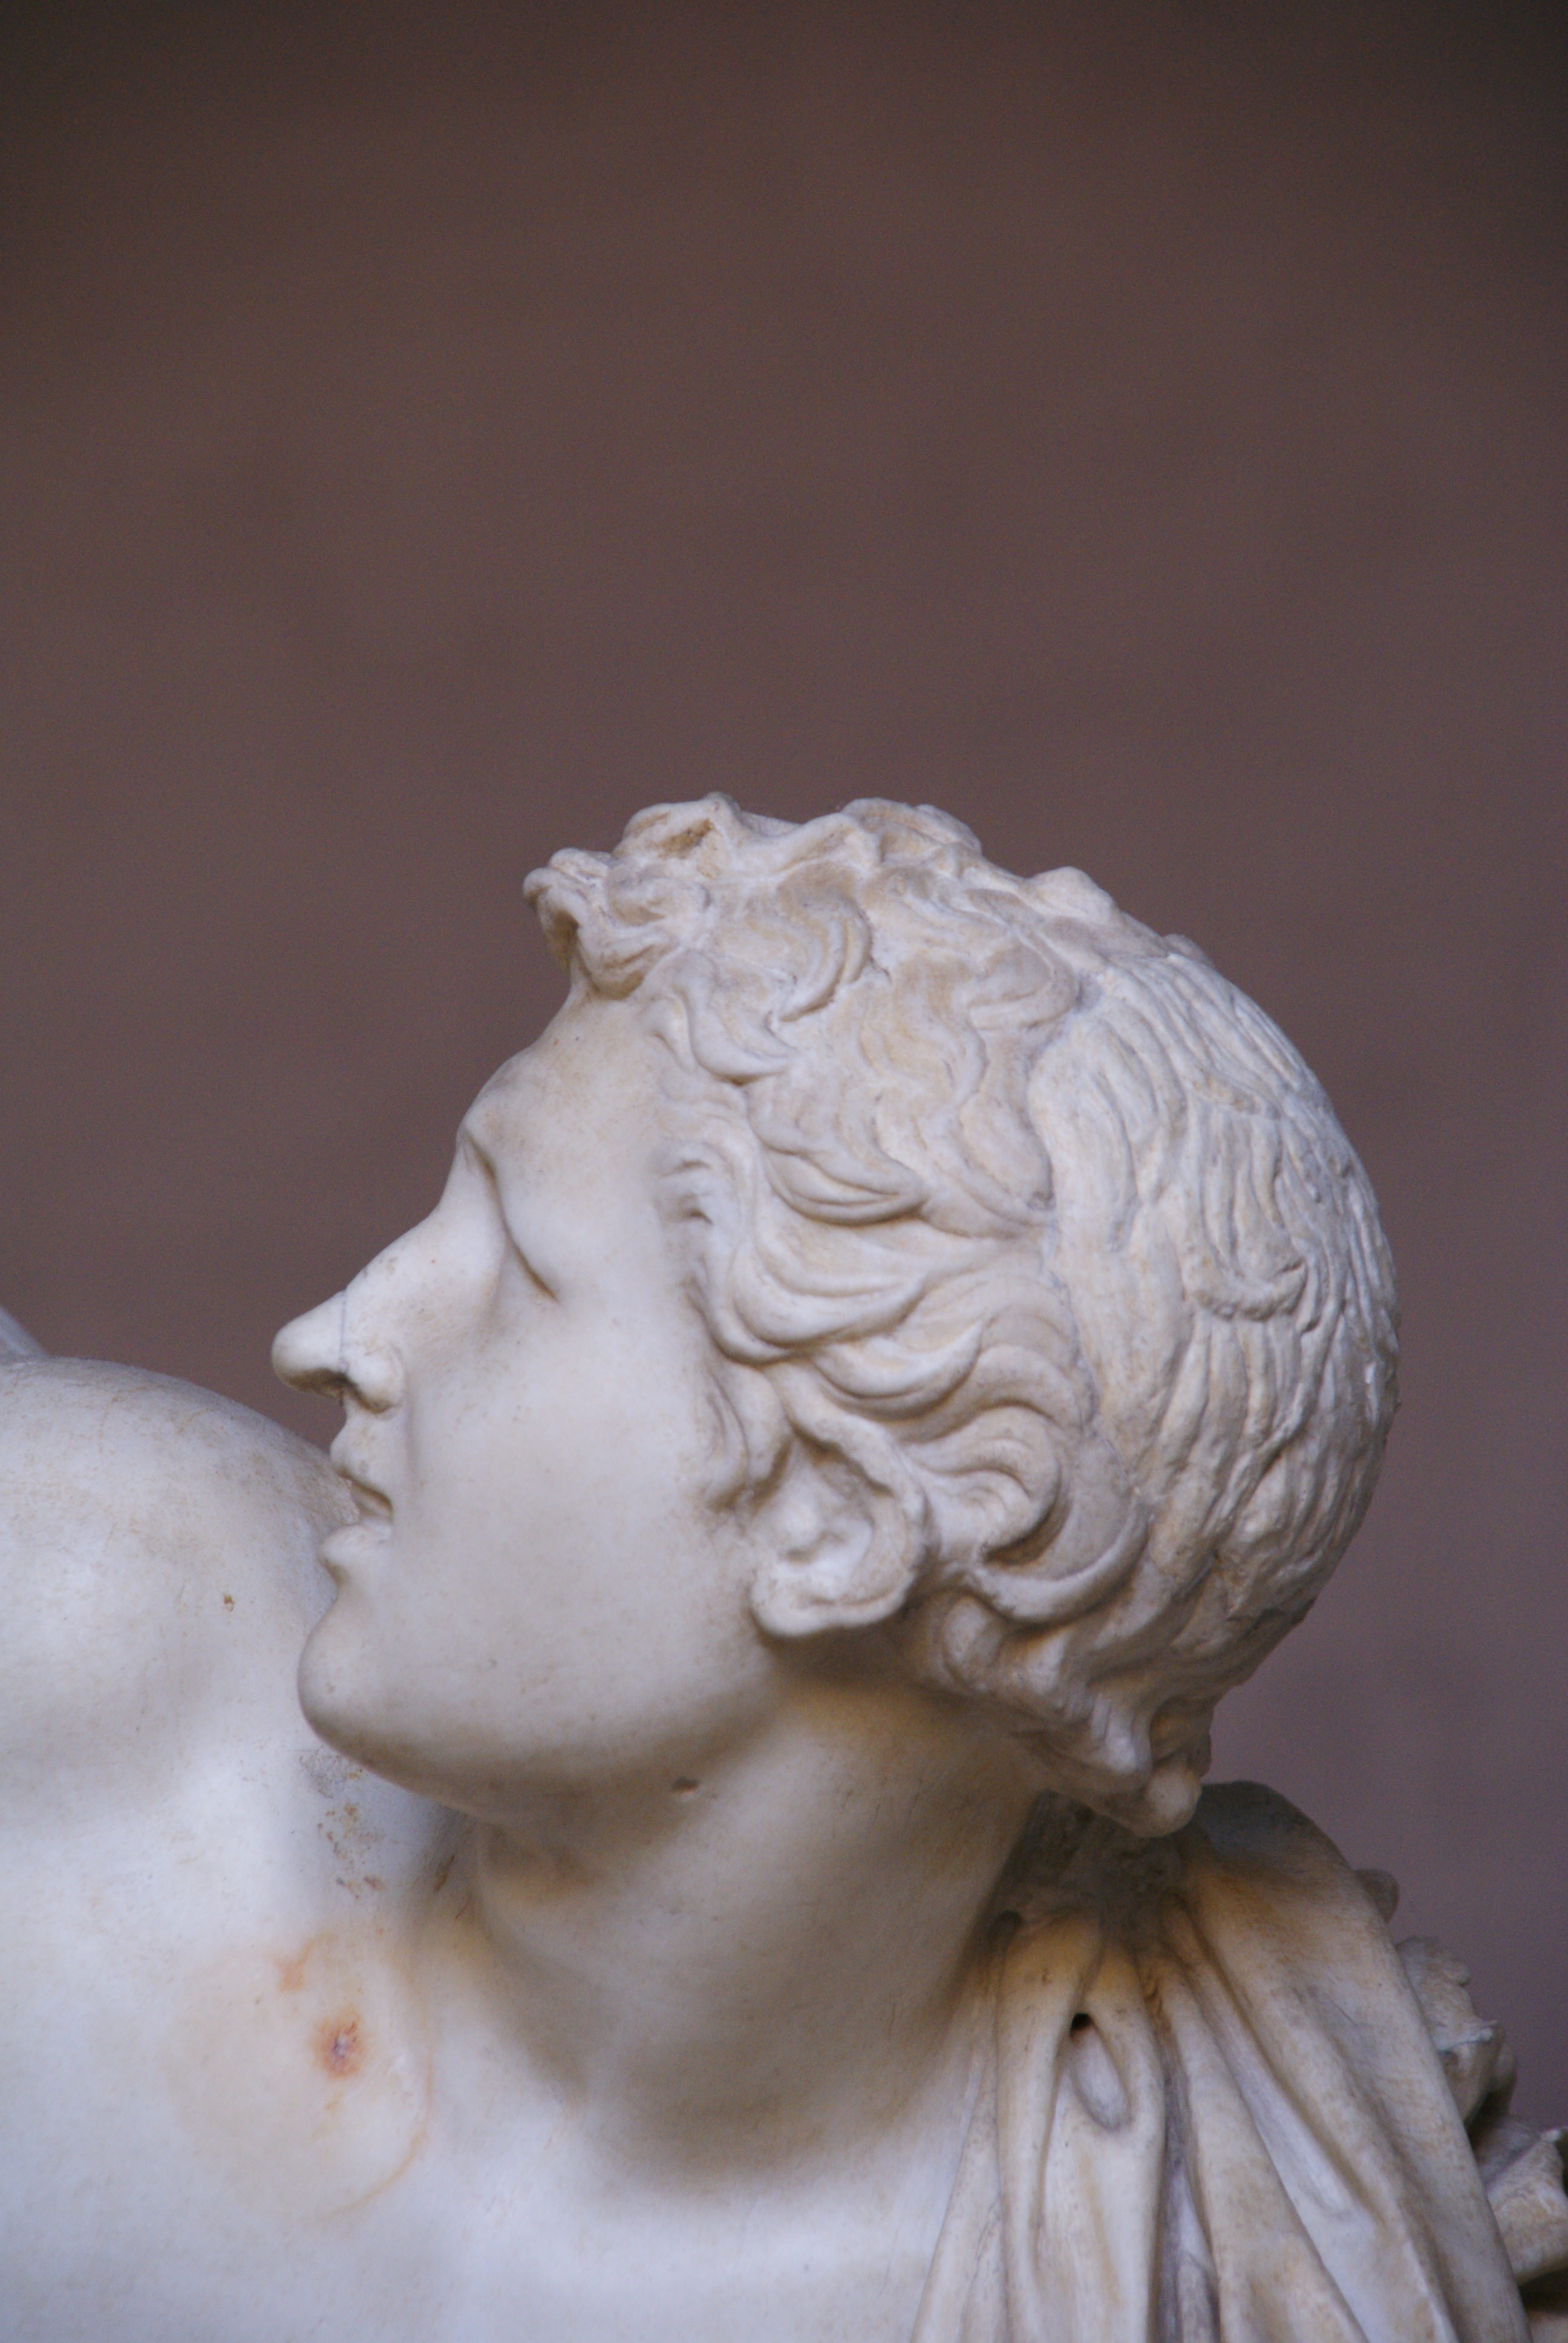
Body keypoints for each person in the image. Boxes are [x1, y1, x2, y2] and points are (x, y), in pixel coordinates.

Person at [1, 798, 1560, 2342]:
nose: (332, 1335)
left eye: (523, 1270)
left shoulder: (1263, 2264)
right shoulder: (78, 1665)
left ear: (840, 1529)